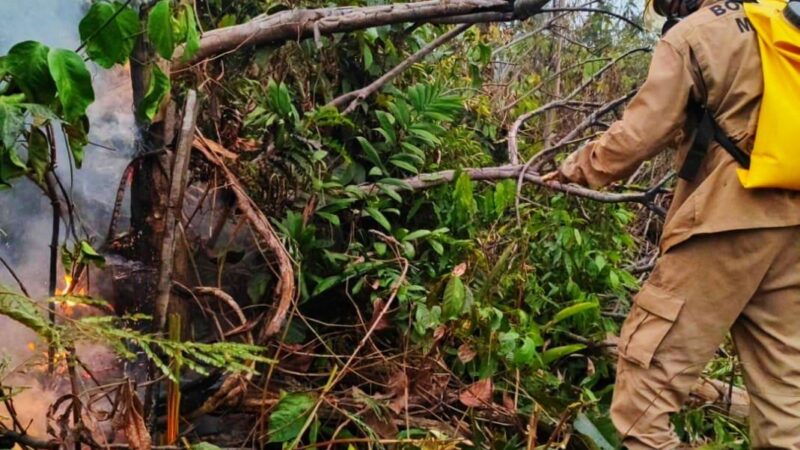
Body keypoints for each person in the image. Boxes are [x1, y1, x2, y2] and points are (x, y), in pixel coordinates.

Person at [543, 0, 800, 447]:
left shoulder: (695, 34)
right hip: (792, 228)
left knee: (645, 386)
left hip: (727, 221)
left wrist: (577, 168)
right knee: (787, 399)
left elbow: (641, 132)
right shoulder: (779, 22)